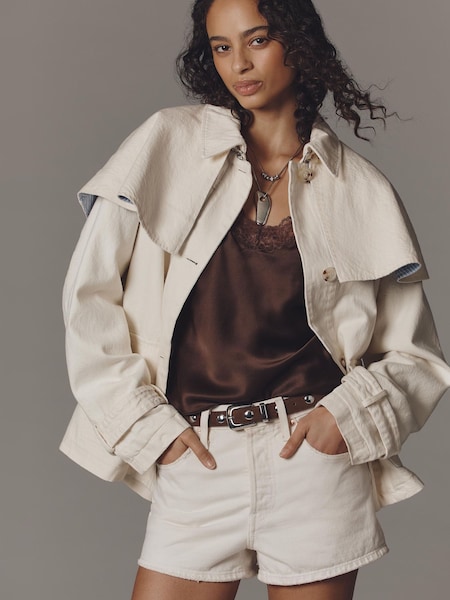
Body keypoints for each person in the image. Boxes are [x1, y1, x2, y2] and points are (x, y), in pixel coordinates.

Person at [60, 0, 450, 598]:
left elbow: (415, 356)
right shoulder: (167, 143)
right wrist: (147, 426)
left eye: (258, 39)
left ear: (298, 41)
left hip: (313, 465)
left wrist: (343, 420)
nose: (238, 63)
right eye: (221, 46)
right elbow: (89, 300)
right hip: (199, 455)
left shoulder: (359, 189)